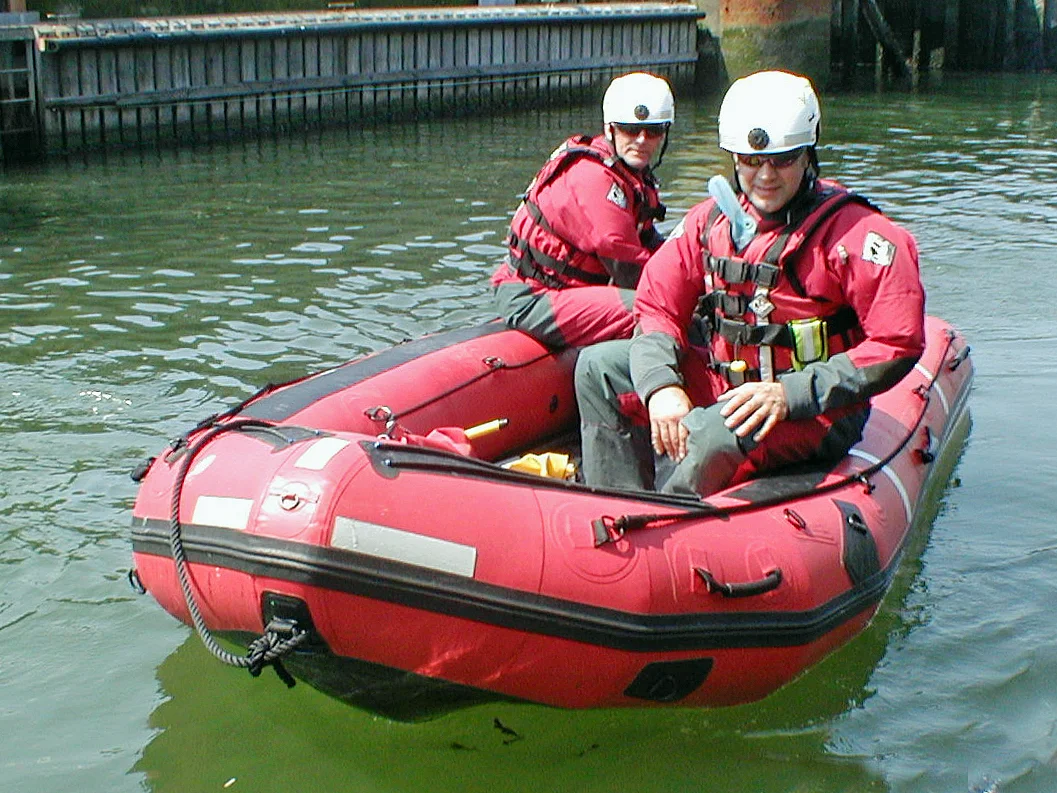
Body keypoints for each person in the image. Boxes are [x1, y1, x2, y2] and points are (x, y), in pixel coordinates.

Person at [575, 69, 926, 498]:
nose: (766, 176)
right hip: (728, 382)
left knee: (711, 434)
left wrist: (789, 394)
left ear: (808, 154)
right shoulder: (709, 223)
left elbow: (897, 341)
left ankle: (666, 517)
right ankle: (614, 503)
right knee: (598, 368)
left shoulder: (857, 235)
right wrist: (661, 385)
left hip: (813, 410)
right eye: (751, 161)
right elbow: (657, 305)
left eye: (783, 160)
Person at [490, 72, 674, 348]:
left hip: (566, 290)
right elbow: (627, 266)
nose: (641, 140)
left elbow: (648, 241)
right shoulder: (592, 178)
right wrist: (684, 295)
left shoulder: (629, 175)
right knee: (653, 307)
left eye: (654, 131)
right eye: (630, 129)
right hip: (533, 296)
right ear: (610, 129)